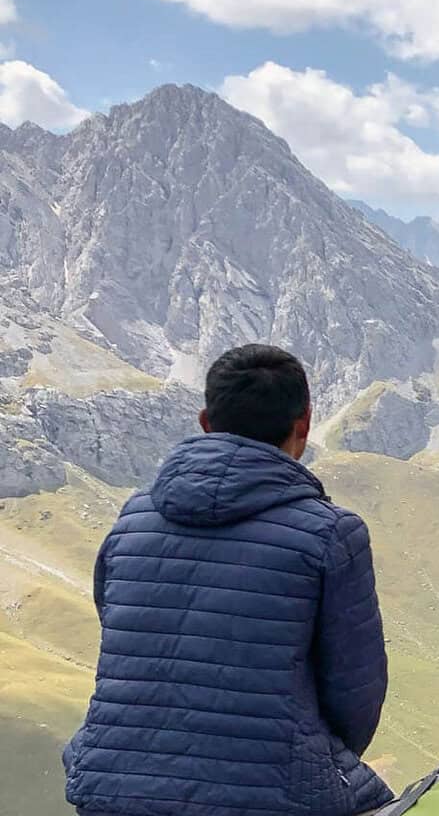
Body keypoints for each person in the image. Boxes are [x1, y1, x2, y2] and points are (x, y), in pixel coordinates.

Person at [64, 344, 394, 816]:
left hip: (112, 787)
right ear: (303, 425)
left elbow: (122, 634)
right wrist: (309, 763)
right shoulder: (331, 534)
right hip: (273, 796)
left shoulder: (132, 520)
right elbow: (354, 692)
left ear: (204, 422)